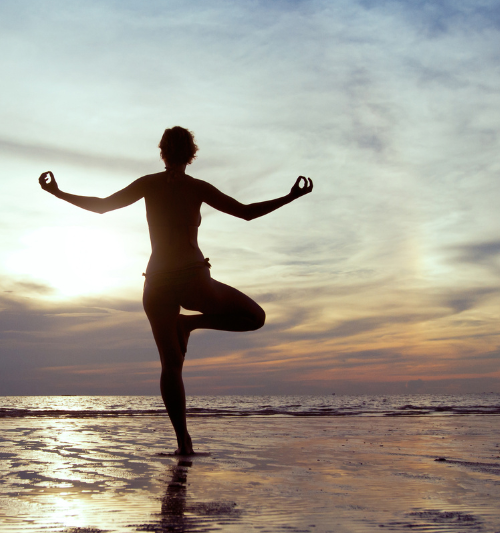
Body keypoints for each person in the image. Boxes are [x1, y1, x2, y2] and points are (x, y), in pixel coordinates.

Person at [38, 126, 313, 455]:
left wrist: (58, 193)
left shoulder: (148, 184)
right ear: (191, 154)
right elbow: (246, 213)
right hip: (192, 279)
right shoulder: (196, 187)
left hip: (156, 284)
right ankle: (191, 323)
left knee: (170, 366)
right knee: (255, 317)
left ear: (163, 152)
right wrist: (290, 197)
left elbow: (102, 206)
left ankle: (183, 443)